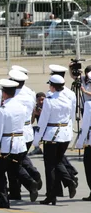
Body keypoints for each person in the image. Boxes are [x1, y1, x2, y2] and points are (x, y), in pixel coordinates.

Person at [0, 79, 39, 209]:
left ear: (4, 93)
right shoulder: (21, 107)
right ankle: (30, 183)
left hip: (6, 145)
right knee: (14, 168)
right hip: (19, 142)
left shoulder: (3, 109)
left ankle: (4, 200)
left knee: (0, 173)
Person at [33, 75, 77, 205]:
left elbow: (43, 121)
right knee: (57, 162)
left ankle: (52, 195)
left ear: (52, 86)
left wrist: (37, 139)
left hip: (52, 135)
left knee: (50, 166)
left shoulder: (49, 100)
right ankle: (69, 182)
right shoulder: (67, 99)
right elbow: (71, 117)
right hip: (65, 134)